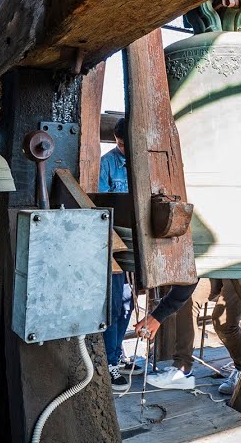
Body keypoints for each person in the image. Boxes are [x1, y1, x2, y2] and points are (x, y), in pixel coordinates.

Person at [98, 117, 134, 392]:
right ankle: (109, 362)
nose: (126, 148)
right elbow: (100, 204)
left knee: (127, 304)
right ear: (116, 139)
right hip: (112, 245)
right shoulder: (107, 164)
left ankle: (116, 352)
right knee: (115, 303)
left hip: (136, 244)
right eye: (122, 143)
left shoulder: (142, 162)